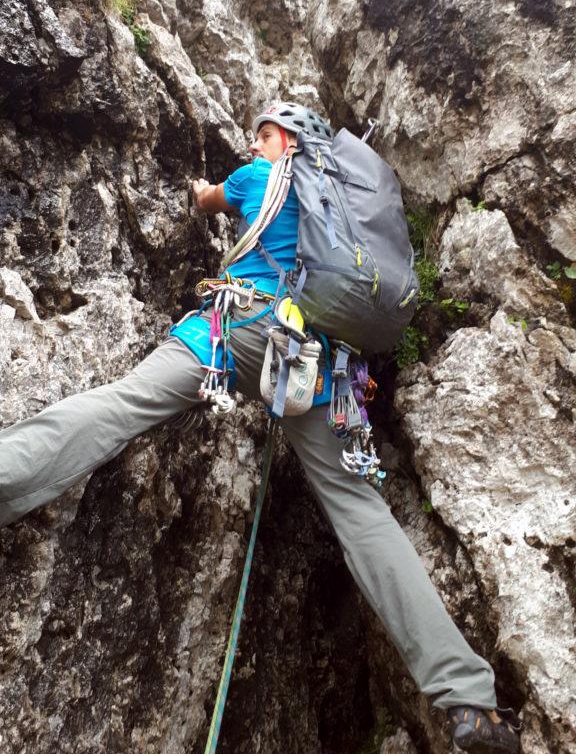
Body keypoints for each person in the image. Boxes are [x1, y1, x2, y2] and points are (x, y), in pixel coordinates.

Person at [0, 103, 520, 753]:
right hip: (319, 372)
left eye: (263, 132)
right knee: (363, 515)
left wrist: (202, 192)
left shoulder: (259, 176)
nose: (256, 141)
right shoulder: (347, 205)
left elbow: (205, 200)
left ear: (283, 138)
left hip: (234, 334)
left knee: (121, 406)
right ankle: (469, 701)